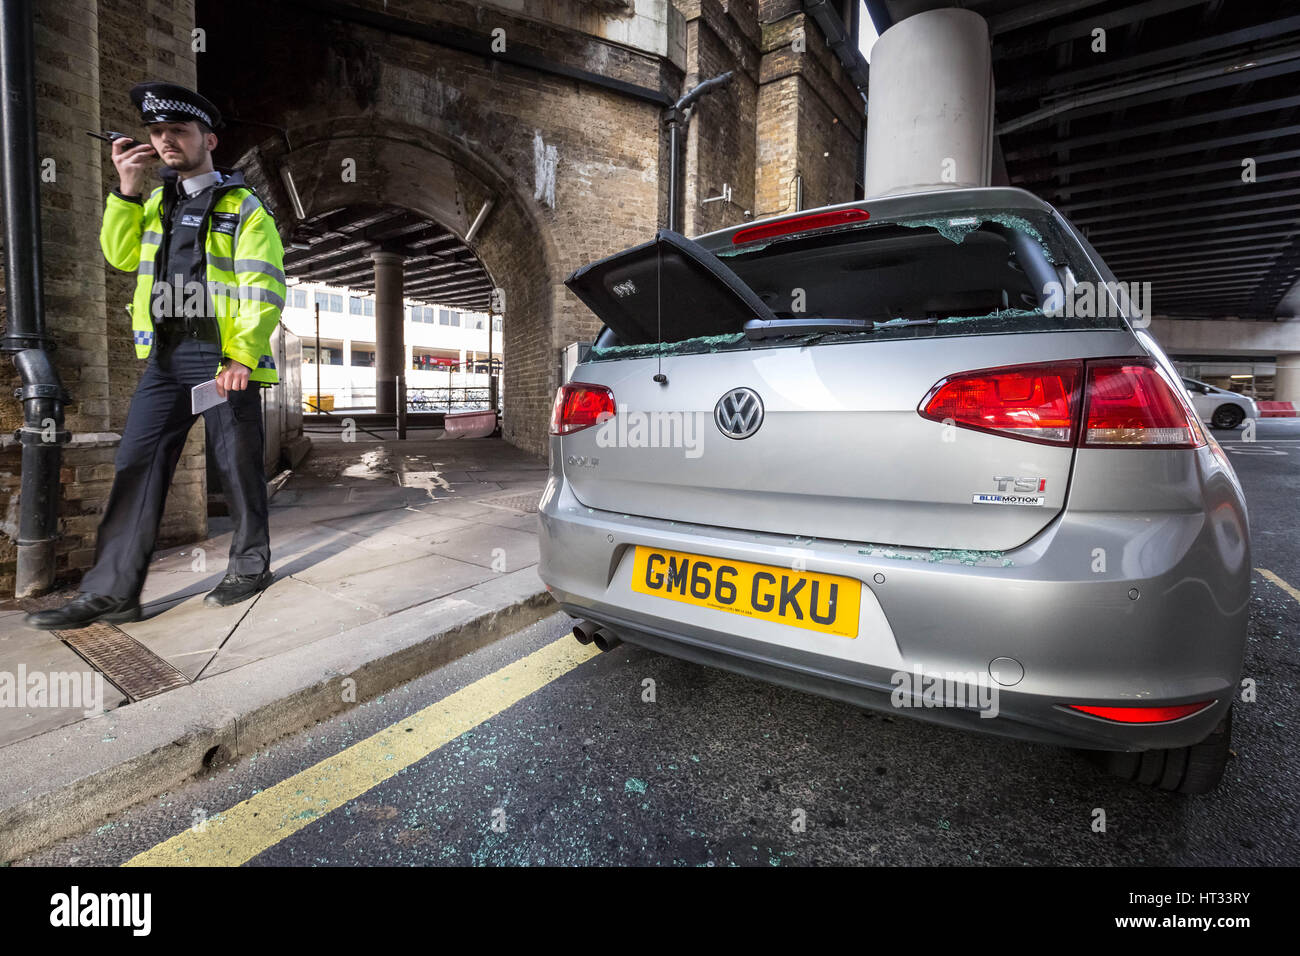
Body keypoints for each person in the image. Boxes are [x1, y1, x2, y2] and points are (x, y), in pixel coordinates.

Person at [25, 81, 286, 630]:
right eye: (157, 133)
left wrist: (240, 356)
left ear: (207, 139)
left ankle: (250, 565)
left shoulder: (245, 208)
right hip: (166, 359)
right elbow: (119, 256)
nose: (167, 141)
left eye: (179, 131)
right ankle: (113, 592)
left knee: (237, 465)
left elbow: (263, 287)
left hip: (220, 358)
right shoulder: (153, 203)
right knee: (135, 465)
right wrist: (125, 185)